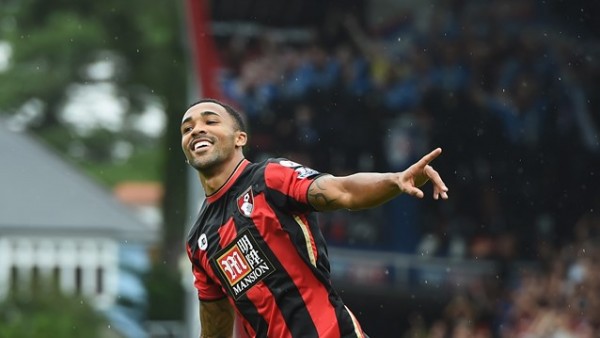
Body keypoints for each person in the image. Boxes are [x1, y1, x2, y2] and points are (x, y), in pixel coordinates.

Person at [182, 98, 449, 338]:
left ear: (240, 138)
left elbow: (343, 191)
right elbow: (215, 329)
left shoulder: (269, 177)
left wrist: (394, 180)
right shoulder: (199, 242)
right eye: (187, 128)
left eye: (210, 120)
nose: (197, 130)